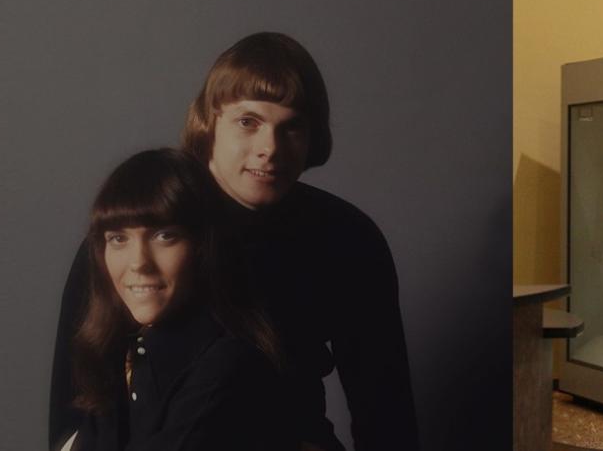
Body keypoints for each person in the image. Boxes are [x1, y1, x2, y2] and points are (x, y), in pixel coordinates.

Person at [51, 32, 418, 450]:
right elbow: (74, 395)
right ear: (209, 121)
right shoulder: (135, 228)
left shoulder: (347, 238)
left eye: (292, 127)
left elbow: (385, 412)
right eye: (248, 122)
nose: (269, 149)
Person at [66, 149, 293, 451]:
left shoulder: (229, 366)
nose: (138, 263)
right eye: (118, 239)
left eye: (164, 236)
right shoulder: (123, 352)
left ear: (204, 246)